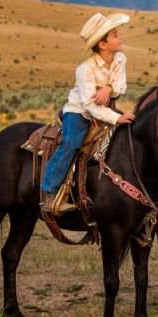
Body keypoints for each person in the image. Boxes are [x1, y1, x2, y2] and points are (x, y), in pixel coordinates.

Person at [42, 13, 136, 213]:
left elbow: (121, 86)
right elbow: (89, 106)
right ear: (102, 44)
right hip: (80, 113)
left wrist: (108, 88)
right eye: (116, 35)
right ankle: (50, 192)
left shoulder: (120, 59)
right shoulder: (85, 69)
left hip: (107, 109)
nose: (121, 38)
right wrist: (117, 118)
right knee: (72, 143)